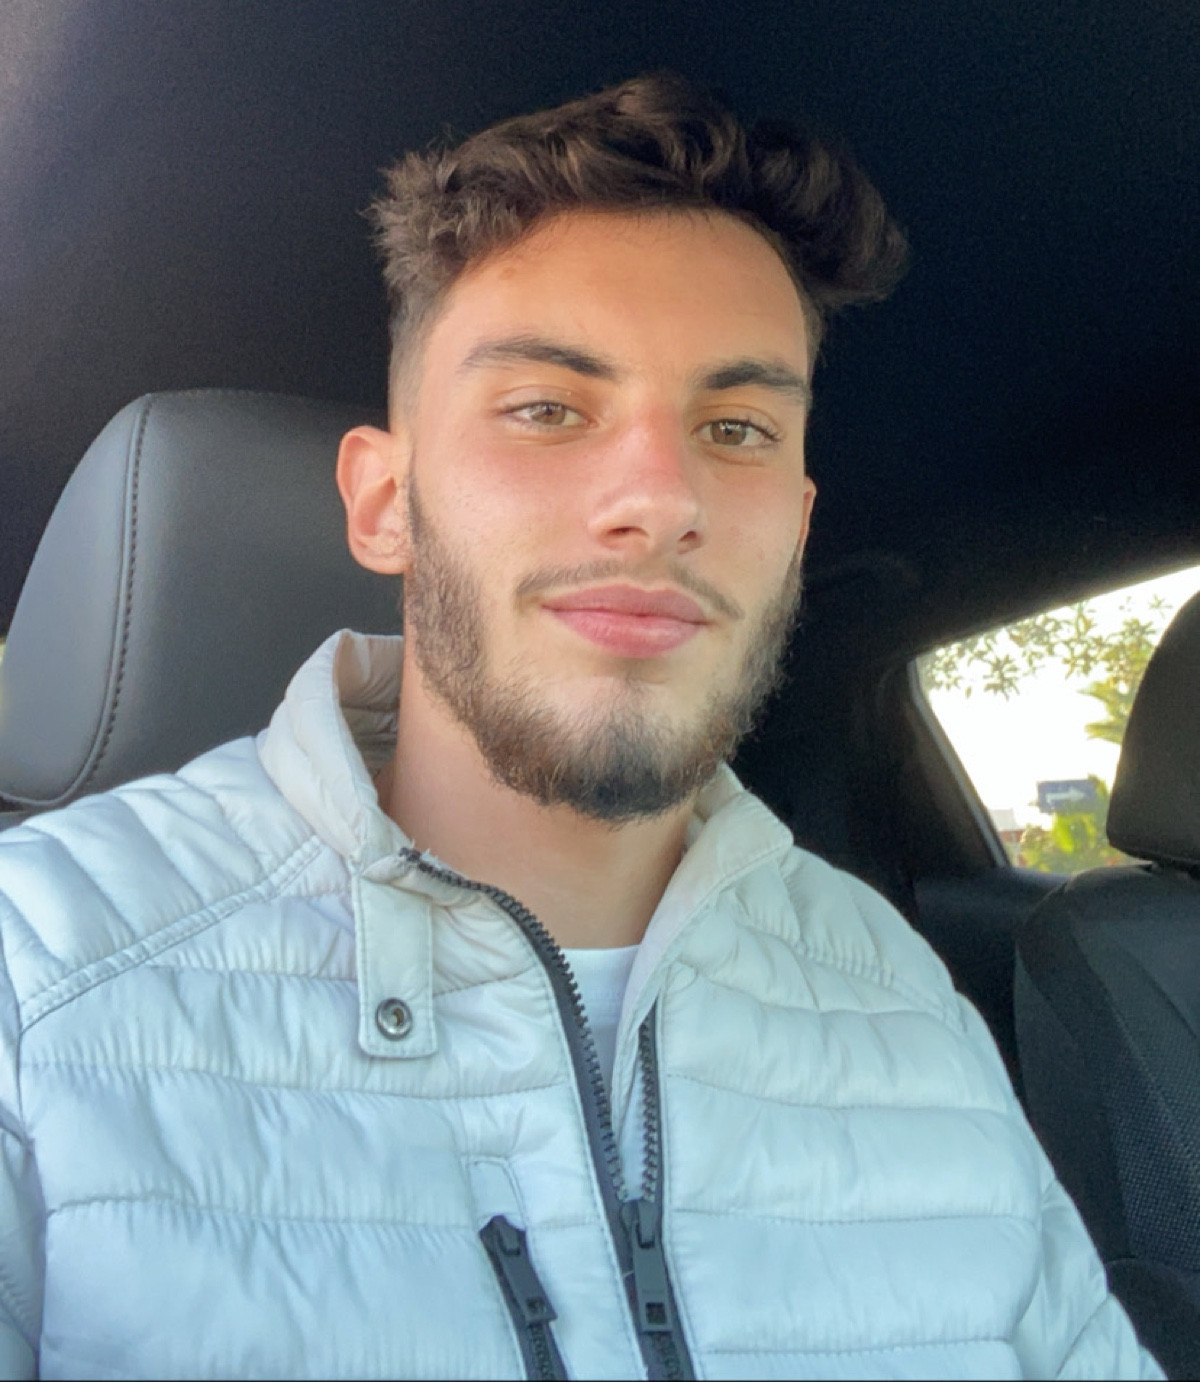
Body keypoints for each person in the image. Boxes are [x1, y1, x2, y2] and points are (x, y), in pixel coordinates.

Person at [0, 74, 1159, 1380]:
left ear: (796, 527)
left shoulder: (903, 1002)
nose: (660, 498)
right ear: (385, 502)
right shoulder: (36, 975)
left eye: (736, 427)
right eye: (547, 408)